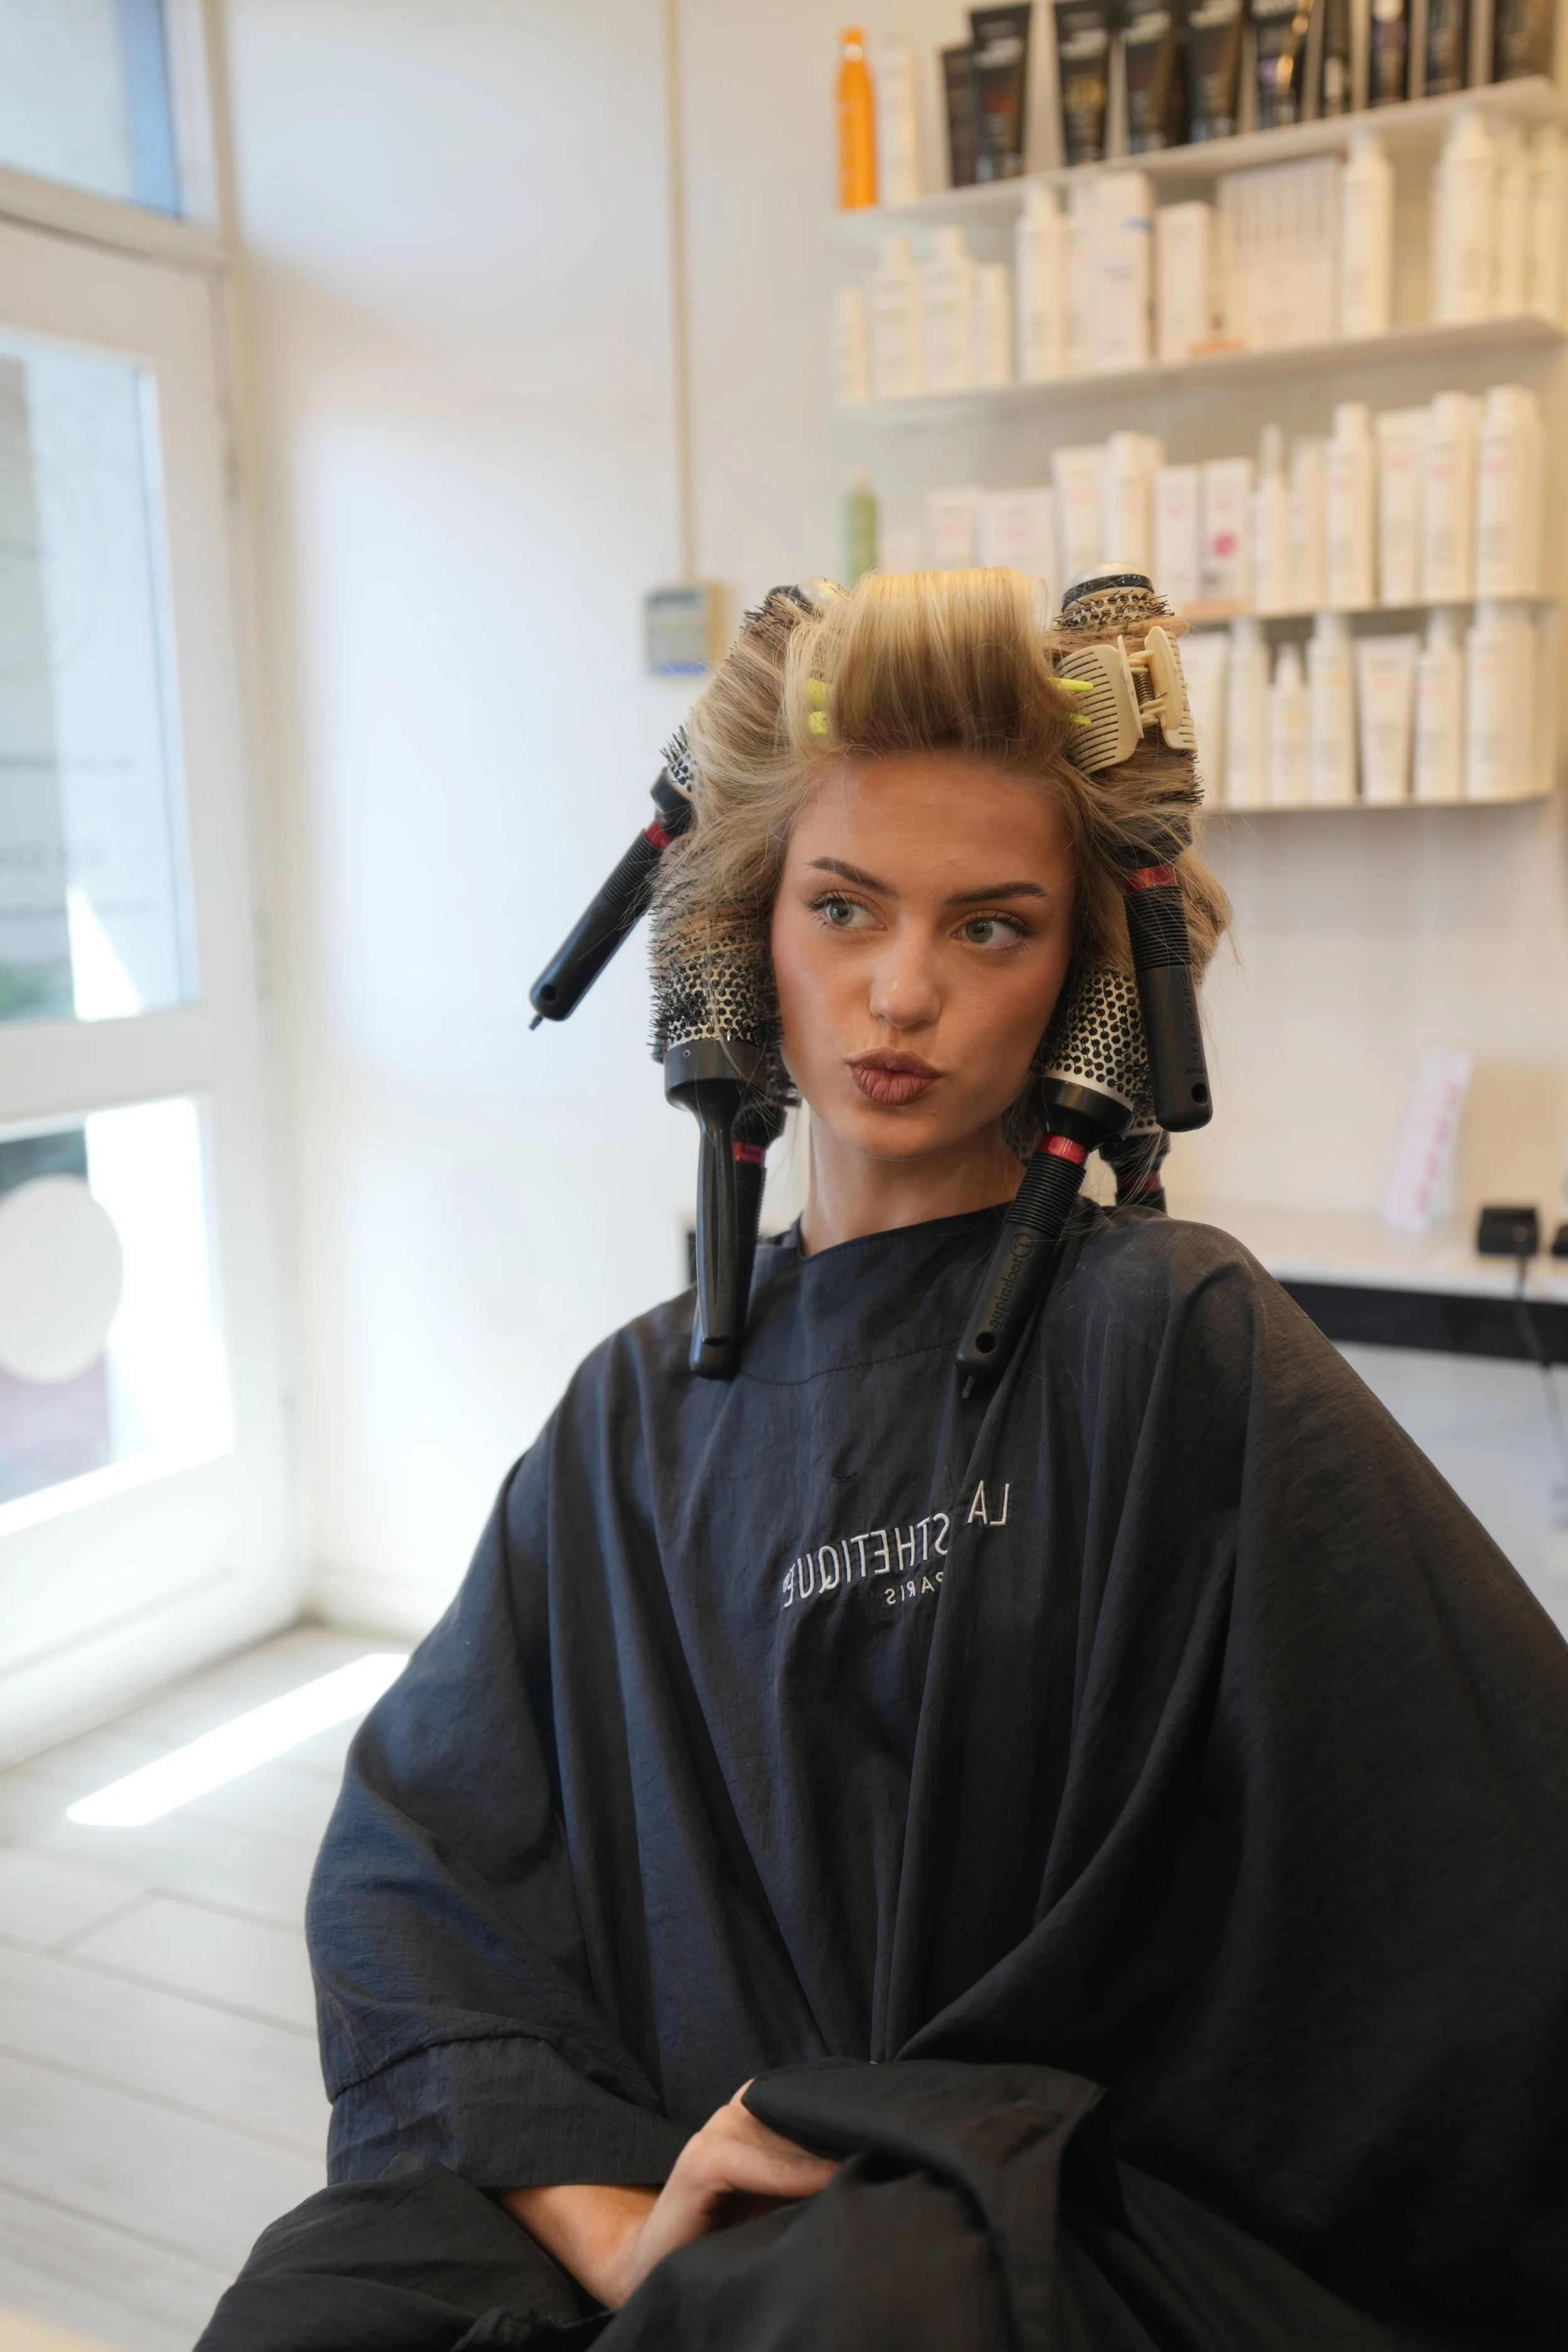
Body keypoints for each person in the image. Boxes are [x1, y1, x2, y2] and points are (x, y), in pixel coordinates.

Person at [201, 571, 1568, 2352]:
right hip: (657, 2146)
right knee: (325, 2307)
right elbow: (416, 1878)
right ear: (746, 928)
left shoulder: (1170, 1343)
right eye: (842, 906)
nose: (899, 991)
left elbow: (1464, 1857)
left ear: (1083, 976)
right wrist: (620, 2233)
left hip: (1012, 2211)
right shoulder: (632, 1409)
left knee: (851, 2297)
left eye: (990, 929)